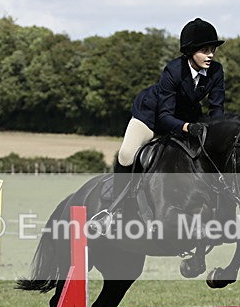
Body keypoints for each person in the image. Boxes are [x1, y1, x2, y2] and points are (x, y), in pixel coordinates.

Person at [91, 18, 226, 232]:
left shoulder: (216, 71)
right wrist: (189, 128)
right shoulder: (173, 70)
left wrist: (216, 131)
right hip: (153, 116)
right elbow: (165, 116)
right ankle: (113, 210)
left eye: (212, 50)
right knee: (126, 154)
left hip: (188, 117)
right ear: (191, 51)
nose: (210, 55)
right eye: (205, 50)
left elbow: (217, 109)